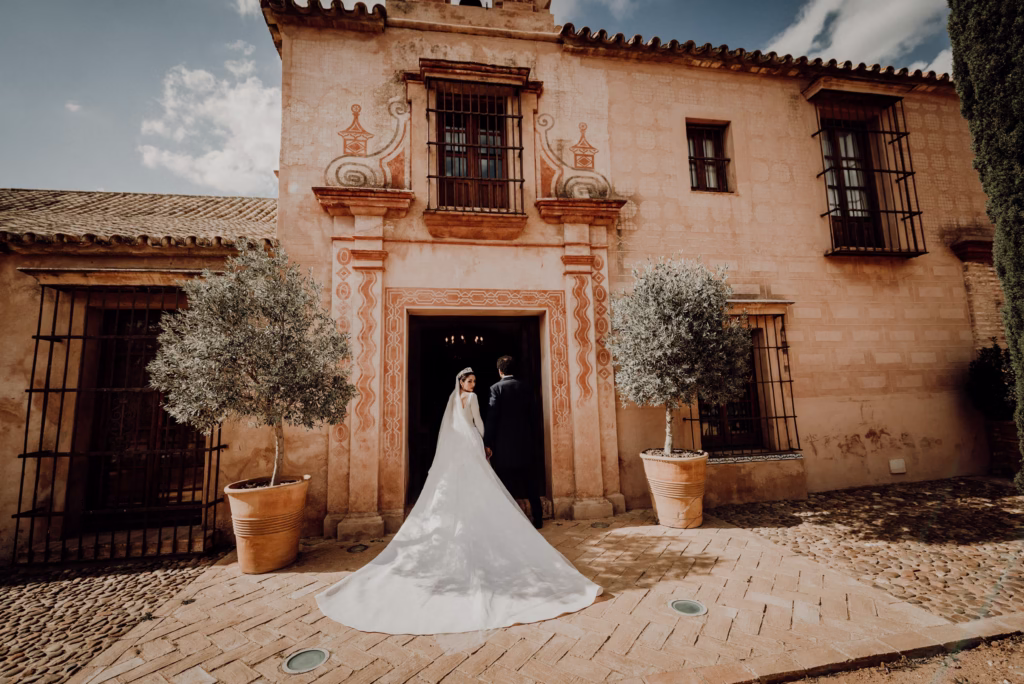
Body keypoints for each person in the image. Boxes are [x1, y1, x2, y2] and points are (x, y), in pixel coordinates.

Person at [315, 367, 601, 635]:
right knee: (481, 486)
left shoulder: (454, 399)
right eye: (469, 381)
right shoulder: (474, 398)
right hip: (471, 445)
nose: (472, 385)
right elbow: (477, 423)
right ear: (462, 382)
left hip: (455, 449)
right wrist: (486, 444)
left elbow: (449, 428)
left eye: (473, 381)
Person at [484, 355, 544, 529]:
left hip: (504, 446)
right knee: (531, 483)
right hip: (526, 444)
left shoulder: (496, 389)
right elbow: (534, 416)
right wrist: (535, 439)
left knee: (505, 485)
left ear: (500, 371)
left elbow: (492, 418)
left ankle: (508, 522)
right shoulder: (526, 387)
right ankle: (538, 519)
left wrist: (487, 441)